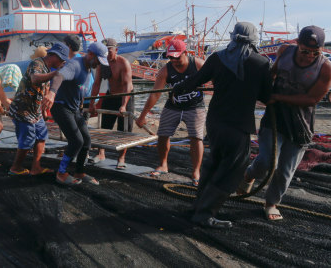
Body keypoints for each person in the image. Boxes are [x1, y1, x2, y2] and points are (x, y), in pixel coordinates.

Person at [173, 22, 273, 228]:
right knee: (231, 171)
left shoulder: (217, 58)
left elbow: (195, 80)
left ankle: (198, 206)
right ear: (255, 39)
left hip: (215, 122)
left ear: (233, 37)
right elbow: (267, 96)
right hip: (238, 126)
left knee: (213, 164)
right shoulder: (261, 63)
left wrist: (177, 89)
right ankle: (205, 214)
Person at [238, 25, 331, 221]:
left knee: (286, 169)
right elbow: (272, 73)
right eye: (305, 51)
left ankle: (271, 203)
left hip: (300, 125)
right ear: (297, 44)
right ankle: (249, 175)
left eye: (315, 52)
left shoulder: (325, 67)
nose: (309, 56)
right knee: (266, 161)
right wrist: (261, 91)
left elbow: (312, 99)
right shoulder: (284, 51)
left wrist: (278, 97)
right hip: (274, 117)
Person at [136, 39, 205, 185]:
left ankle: (196, 172)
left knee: (196, 138)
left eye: (177, 57)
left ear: (185, 53)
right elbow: (155, 94)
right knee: (163, 134)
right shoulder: (165, 71)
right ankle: (163, 164)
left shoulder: (197, 64)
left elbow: (216, 79)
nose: (174, 61)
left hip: (195, 106)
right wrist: (143, 116)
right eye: (171, 58)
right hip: (173, 105)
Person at [42, 42, 109, 186]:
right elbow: (59, 75)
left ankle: (79, 171)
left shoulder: (89, 67)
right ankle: (61, 173)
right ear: (90, 54)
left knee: (86, 141)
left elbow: (79, 88)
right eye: (98, 60)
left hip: (74, 109)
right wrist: (52, 93)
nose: (99, 64)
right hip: (60, 107)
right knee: (76, 141)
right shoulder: (75, 65)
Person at [8, 43, 69, 175]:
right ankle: (15, 168)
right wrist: (56, 73)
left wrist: (43, 112)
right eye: (63, 60)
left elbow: (44, 92)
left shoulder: (47, 69)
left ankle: (36, 167)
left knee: (42, 135)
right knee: (28, 139)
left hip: (35, 112)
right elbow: (35, 79)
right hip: (22, 110)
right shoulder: (37, 63)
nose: (63, 63)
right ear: (55, 56)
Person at [89, 38, 133, 169]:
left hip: (126, 95)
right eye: (105, 51)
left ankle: (121, 158)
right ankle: (101, 153)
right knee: (103, 126)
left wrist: (124, 105)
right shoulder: (102, 63)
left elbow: (127, 86)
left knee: (124, 128)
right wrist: (92, 103)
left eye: (109, 51)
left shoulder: (123, 63)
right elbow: (96, 84)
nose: (107, 54)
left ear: (116, 50)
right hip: (110, 94)